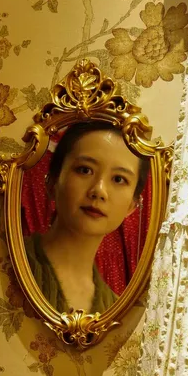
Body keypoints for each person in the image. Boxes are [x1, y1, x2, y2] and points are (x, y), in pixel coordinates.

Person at [25, 121, 149, 314]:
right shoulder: (5, 261)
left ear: (132, 206)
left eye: (119, 179)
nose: (99, 191)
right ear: (52, 182)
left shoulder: (116, 312)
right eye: (85, 170)